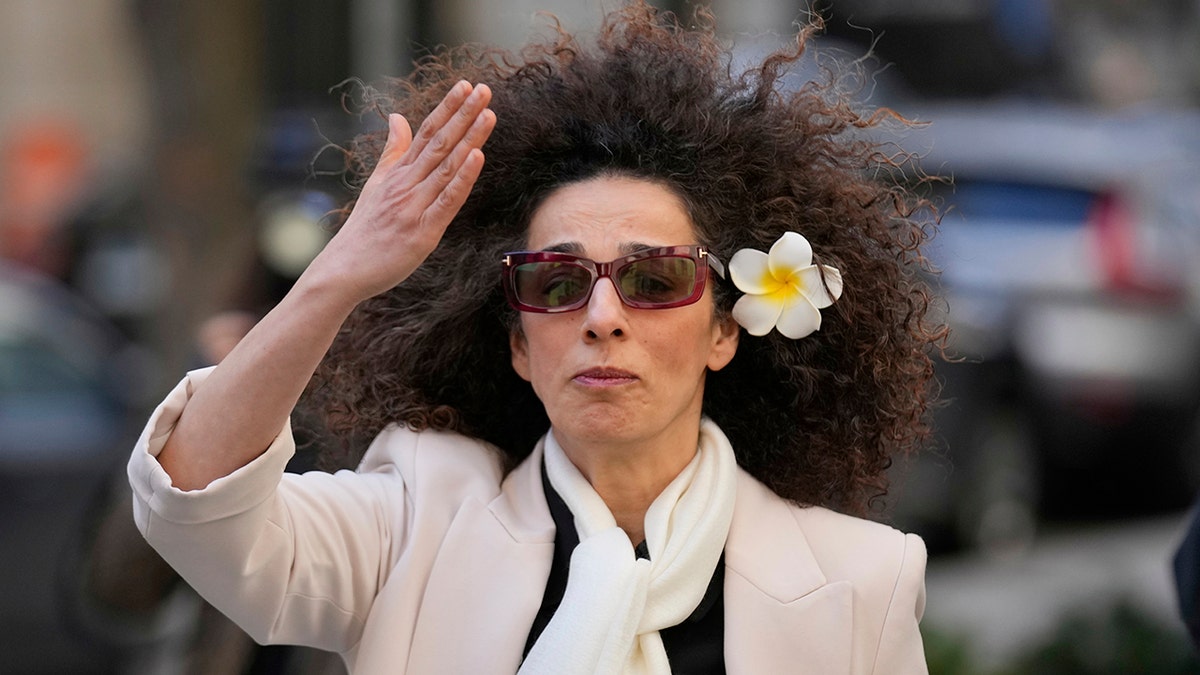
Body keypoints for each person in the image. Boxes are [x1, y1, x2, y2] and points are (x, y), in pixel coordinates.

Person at [127, 3, 943, 673]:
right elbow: (192, 499)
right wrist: (338, 276)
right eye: (554, 285)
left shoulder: (859, 580)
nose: (601, 315)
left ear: (724, 330)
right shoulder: (412, 524)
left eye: (654, 279)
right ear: (518, 345)